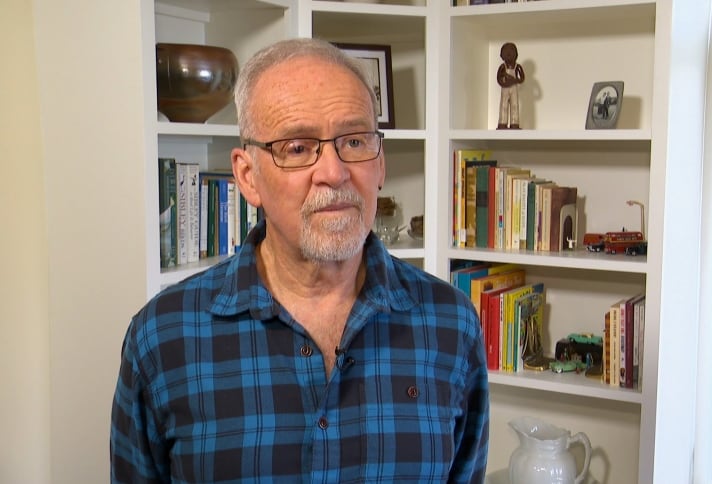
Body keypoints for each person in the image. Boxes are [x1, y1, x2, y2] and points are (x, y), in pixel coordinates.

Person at [110, 38, 490, 483]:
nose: (334, 171)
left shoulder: (451, 324)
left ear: (380, 163)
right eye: (297, 147)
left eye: (353, 141)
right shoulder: (162, 338)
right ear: (248, 177)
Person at [496, 42, 525, 129]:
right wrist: (505, 83)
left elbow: (522, 79)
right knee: (503, 105)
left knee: (515, 105)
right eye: (506, 52)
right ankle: (502, 122)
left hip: (514, 87)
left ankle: (514, 122)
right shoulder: (503, 66)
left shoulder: (517, 66)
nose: (509, 54)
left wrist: (514, 80)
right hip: (505, 88)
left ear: (515, 54)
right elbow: (499, 79)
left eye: (511, 51)